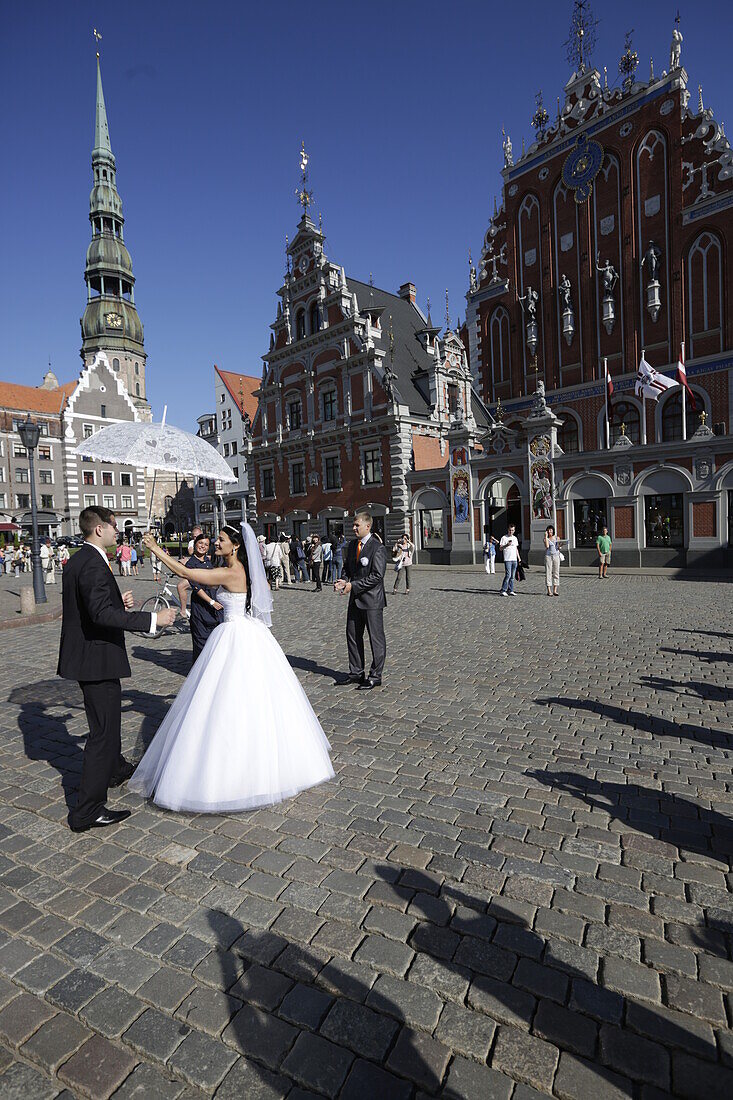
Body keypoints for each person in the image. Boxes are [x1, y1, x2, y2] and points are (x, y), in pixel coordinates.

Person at [131, 523, 334, 812]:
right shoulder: (237, 569)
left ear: (235, 546)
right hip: (243, 633)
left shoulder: (232, 571)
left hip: (234, 635)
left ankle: (238, 771)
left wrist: (154, 549)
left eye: (222, 540)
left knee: (229, 699)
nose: (216, 542)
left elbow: (188, 574)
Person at [57, 506, 176, 832]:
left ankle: (115, 769)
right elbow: (99, 616)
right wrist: (153, 619)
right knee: (103, 733)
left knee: (106, 723)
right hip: (96, 660)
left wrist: (114, 602)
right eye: (113, 527)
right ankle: (87, 811)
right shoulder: (93, 564)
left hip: (91, 657)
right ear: (99, 530)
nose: (117, 532)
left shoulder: (81, 558)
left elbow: (92, 607)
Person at [335, 510, 387, 689]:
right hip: (355, 600)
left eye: (357, 525)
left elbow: (377, 576)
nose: (354, 528)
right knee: (353, 636)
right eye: (353, 525)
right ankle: (356, 672)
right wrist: (343, 581)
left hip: (372, 601)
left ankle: (375, 675)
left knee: (375, 638)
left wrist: (353, 586)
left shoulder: (377, 547)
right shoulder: (351, 546)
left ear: (368, 526)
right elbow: (347, 568)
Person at [185, 533, 223, 663]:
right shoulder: (191, 564)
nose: (203, 546)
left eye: (206, 544)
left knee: (215, 638)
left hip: (213, 601)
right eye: (201, 543)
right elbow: (196, 587)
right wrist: (211, 601)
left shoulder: (209, 561)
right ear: (195, 543)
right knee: (201, 640)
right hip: (201, 604)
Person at [499, 524, 520, 596]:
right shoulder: (504, 538)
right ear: (508, 530)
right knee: (508, 575)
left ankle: (510, 590)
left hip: (514, 559)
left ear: (514, 530)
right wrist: (506, 545)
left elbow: (516, 549)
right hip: (507, 559)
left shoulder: (515, 538)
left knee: (512, 576)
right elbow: (500, 548)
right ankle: (503, 590)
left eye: (512, 530)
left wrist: (519, 558)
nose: (511, 531)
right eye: (510, 530)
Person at [543, 524, 563, 597]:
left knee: (556, 572)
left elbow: (559, 547)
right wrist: (545, 536)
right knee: (548, 572)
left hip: (556, 556)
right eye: (548, 531)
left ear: (553, 531)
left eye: (551, 530)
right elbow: (547, 546)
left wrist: (560, 545)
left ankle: (555, 590)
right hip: (548, 556)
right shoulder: (546, 539)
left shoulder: (557, 538)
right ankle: (549, 590)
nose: (549, 532)